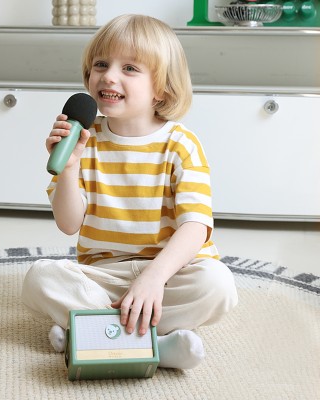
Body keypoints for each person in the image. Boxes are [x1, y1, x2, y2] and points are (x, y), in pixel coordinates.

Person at [22, 14, 238, 370]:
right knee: (40, 278)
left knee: (217, 285)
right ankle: (155, 344)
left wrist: (154, 278)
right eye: (101, 65)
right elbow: (68, 224)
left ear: (161, 89)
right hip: (104, 275)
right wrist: (70, 166)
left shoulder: (181, 144)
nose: (109, 76)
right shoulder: (84, 139)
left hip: (167, 273)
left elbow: (195, 227)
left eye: (129, 68)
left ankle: (88, 331)